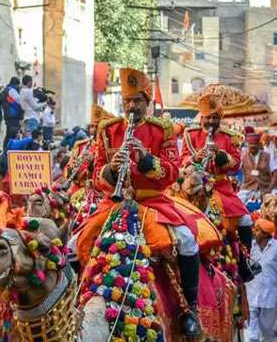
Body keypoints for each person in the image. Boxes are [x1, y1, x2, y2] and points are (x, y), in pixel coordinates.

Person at [77, 68, 203, 336]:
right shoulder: (108, 130)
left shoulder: (163, 130)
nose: (132, 106)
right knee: (74, 242)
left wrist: (145, 160)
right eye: (128, 101)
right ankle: (76, 306)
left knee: (187, 239)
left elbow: (172, 172)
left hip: (153, 202)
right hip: (116, 204)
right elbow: (99, 176)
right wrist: (112, 168)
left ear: (148, 103)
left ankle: (190, 309)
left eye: (137, 101)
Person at [181, 93, 256, 281]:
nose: (211, 121)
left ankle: (246, 262)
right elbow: (181, 160)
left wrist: (221, 155)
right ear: (201, 117)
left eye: (215, 118)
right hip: (195, 183)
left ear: (220, 119)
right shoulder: (190, 135)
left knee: (246, 220)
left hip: (220, 186)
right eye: (208, 117)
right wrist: (194, 158)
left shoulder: (230, 138)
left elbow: (236, 164)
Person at [246, 219, 277, 342]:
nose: (254, 232)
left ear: (265, 234)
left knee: (266, 327)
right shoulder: (250, 246)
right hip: (251, 290)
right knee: (252, 330)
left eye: (257, 230)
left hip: (270, 292)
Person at [238, 131, 275, 207]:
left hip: (264, 189)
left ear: (259, 144)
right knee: (237, 205)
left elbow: (275, 174)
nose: (252, 148)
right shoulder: (243, 156)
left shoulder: (267, 156)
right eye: (250, 146)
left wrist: (269, 189)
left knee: (274, 206)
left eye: (254, 146)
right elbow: (236, 170)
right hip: (247, 189)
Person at [2, 76, 22, 149]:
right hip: (13, 115)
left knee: (8, 134)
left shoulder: (6, 90)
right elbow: (20, 100)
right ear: (16, 84)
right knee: (12, 134)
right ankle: (8, 151)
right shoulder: (12, 90)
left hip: (8, 115)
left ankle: (5, 150)